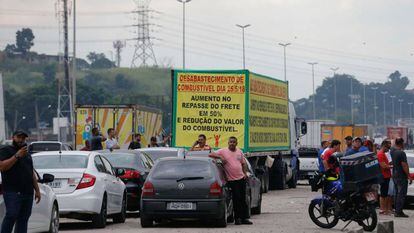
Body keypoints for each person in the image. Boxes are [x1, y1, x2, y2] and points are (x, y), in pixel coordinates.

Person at [0, 130, 41, 233]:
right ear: (13, 137)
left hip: (27, 192)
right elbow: (3, 167)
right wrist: (17, 156)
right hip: (12, 191)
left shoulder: (27, 155)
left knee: (23, 219)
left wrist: (37, 190)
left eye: (23, 138)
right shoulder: (6, 150)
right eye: (19, 137)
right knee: (11, 215)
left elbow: (31, 173)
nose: (21, 140)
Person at [209, 136, 252, 225]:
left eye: (234, 142)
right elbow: (211, 154)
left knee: (243, 199)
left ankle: (244, 218)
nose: (232, 143)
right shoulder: (223, 151)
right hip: (231, 180)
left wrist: (245, 173)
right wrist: (220, 157)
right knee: (236, 199)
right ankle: (237, 219)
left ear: (236, 143)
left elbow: (243, 163)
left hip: (241, 178)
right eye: (230, 142)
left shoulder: (239, 151)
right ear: (228, 143)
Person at [391, 137, 413, 218]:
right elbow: (404, 165)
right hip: (401, 176)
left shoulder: (392, 151)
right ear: (401, 143)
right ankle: (399, 211)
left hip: (395, 175)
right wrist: (408, 176)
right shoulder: (401, 153)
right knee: (401, 194)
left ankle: (396, 210)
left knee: (396, 194)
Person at [377, 140, 392, 215]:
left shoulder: (383, 154)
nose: (388, 150)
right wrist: (393, 166)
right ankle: (382, 209)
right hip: (384, 176)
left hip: (386, 176)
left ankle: (385, 209)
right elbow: (383, 166)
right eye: (388, 148)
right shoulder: (380, 154)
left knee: (385, 193)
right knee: (383, 194)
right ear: (384, 146)